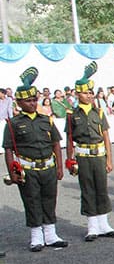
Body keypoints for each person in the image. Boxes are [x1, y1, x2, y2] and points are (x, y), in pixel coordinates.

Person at [3, 67, 69, 252]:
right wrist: (12, 172)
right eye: (28, 101)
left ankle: (50, 234)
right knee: (31, 200)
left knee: (49, 198)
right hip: (28, 168)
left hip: (48, 166)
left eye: (34, 100)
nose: (32, 103)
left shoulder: (45, 120)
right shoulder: (13, 124)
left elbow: (56, 143)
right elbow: (8, 149)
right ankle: (36, 236)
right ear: (19, 102)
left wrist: (59, 167)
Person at [65, 61, 114, 242]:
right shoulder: (72, 114)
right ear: (77, 93)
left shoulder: (99, 112)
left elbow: (106, 136)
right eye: (85, 93)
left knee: (101, 188)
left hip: (99, 155)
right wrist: (70, 160)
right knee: (87, 189)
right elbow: (69, 138)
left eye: (91, 93)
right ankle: (92, 226)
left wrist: (109, 159)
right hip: (83, 156)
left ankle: (104, 224)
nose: (88, 96)